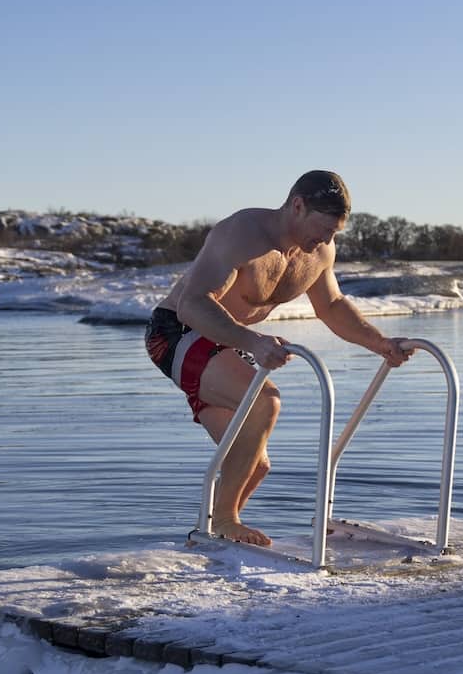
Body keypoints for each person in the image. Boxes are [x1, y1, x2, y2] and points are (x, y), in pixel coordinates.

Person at [143, 170, 412, 547]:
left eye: (334, 233)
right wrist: (251, 341)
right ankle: (224, 521)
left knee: (255, 462)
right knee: (265, 404)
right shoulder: (242, 234)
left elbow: (332, 306)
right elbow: (192, 303)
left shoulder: (318, 253)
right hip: (178, 331)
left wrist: (381, 343)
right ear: (297, 206)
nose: (326, 240)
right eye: (321, 229)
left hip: (226, 342)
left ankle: (211, 536)